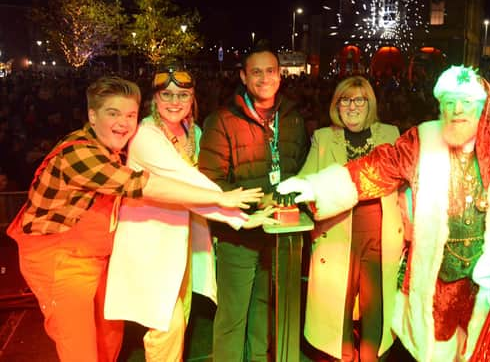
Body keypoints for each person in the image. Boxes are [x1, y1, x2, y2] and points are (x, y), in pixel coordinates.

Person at [277, 65, 490, 362]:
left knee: (485, 349)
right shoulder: (424, 140)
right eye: (449, 102)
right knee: (437, 349)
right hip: (438, 276)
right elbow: (379, 166)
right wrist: (316, 186)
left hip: (489, 275)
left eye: (466, 102)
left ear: (483, 104)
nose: (457, 110)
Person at [6, 76, 263, 362]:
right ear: (92, 116)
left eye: (129, 115)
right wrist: (224, 203)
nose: (124, 123)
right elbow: (144, 184)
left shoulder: (129, 144)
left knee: (109, 337)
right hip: (58, 260)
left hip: (99, 256)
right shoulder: (82, 153)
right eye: (112, 113)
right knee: (80, 345)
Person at [103, 71, 276, 361]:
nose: (174, 101)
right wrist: (236, 213)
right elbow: (185, 182)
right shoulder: (146, 135)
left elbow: (203, 183)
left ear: (192, 98)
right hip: (150, 246)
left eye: (182, 95)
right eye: (166, 94)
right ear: (154, 99)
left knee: (179, 318)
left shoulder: (192, 133)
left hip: (181, 242)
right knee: (164, 324)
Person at [198, 42, 309, 361]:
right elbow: (211, 179)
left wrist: (287, 202)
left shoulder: (292, 117)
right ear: (244, 77)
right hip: (238, 234)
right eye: (256, 72)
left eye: (270, 71)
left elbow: (298, 166)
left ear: (280, 76)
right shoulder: (222, 120)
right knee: (233, 317)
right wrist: (254, 207)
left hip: (277, 233)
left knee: (264, 310)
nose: (264, 78)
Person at [299, 76, 405, 361]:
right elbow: (305, 179)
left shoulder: (391, 134)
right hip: (335, 231)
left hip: (381, 232)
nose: (352, 107)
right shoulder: (323, 138)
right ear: (336, 105)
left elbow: (406, 185)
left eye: (360, 100)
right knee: (336, 307)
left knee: (376, 306)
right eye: (345, 100)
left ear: (370, 104)